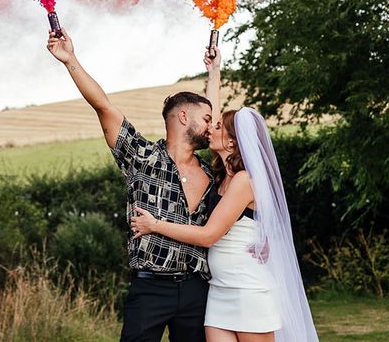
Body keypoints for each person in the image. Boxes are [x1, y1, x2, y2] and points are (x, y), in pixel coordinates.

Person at [47, 27, 221, 342]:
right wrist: (69, 59)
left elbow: (216, 123)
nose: (213, 126)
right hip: (150, 288)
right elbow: (104, 107)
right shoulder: (142, 157)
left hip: (198, 288)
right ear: (183, 118)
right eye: (207, 119)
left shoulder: (211, 172)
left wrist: (215, 73)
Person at [130, 77, 319, 341]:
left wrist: (155, 225)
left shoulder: (244, 180)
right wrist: (214, 71)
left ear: (231, 142)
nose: (209, 128)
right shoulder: (217, 177)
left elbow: (209, 235)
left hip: (247, 289)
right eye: (210, 122)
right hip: (218, 291)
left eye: (216, 126)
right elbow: (208, 119)